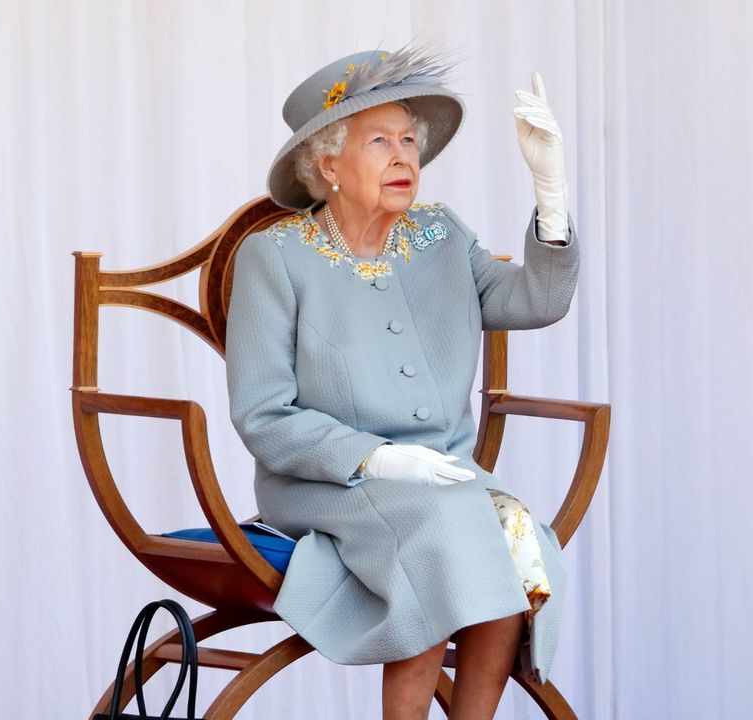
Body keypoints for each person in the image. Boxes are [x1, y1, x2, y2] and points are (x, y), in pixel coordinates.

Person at [224, 43, 579, 720]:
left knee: (509, 534)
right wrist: (375, 457)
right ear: (327, 164)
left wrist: (551, 195)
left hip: (444, 479)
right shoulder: (274, 258)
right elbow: (263, 415)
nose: (404, 156)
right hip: (326, 486)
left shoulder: (440, 237)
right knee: (444, 536)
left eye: (410, 139)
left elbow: (536, 299)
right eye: (379, 140)